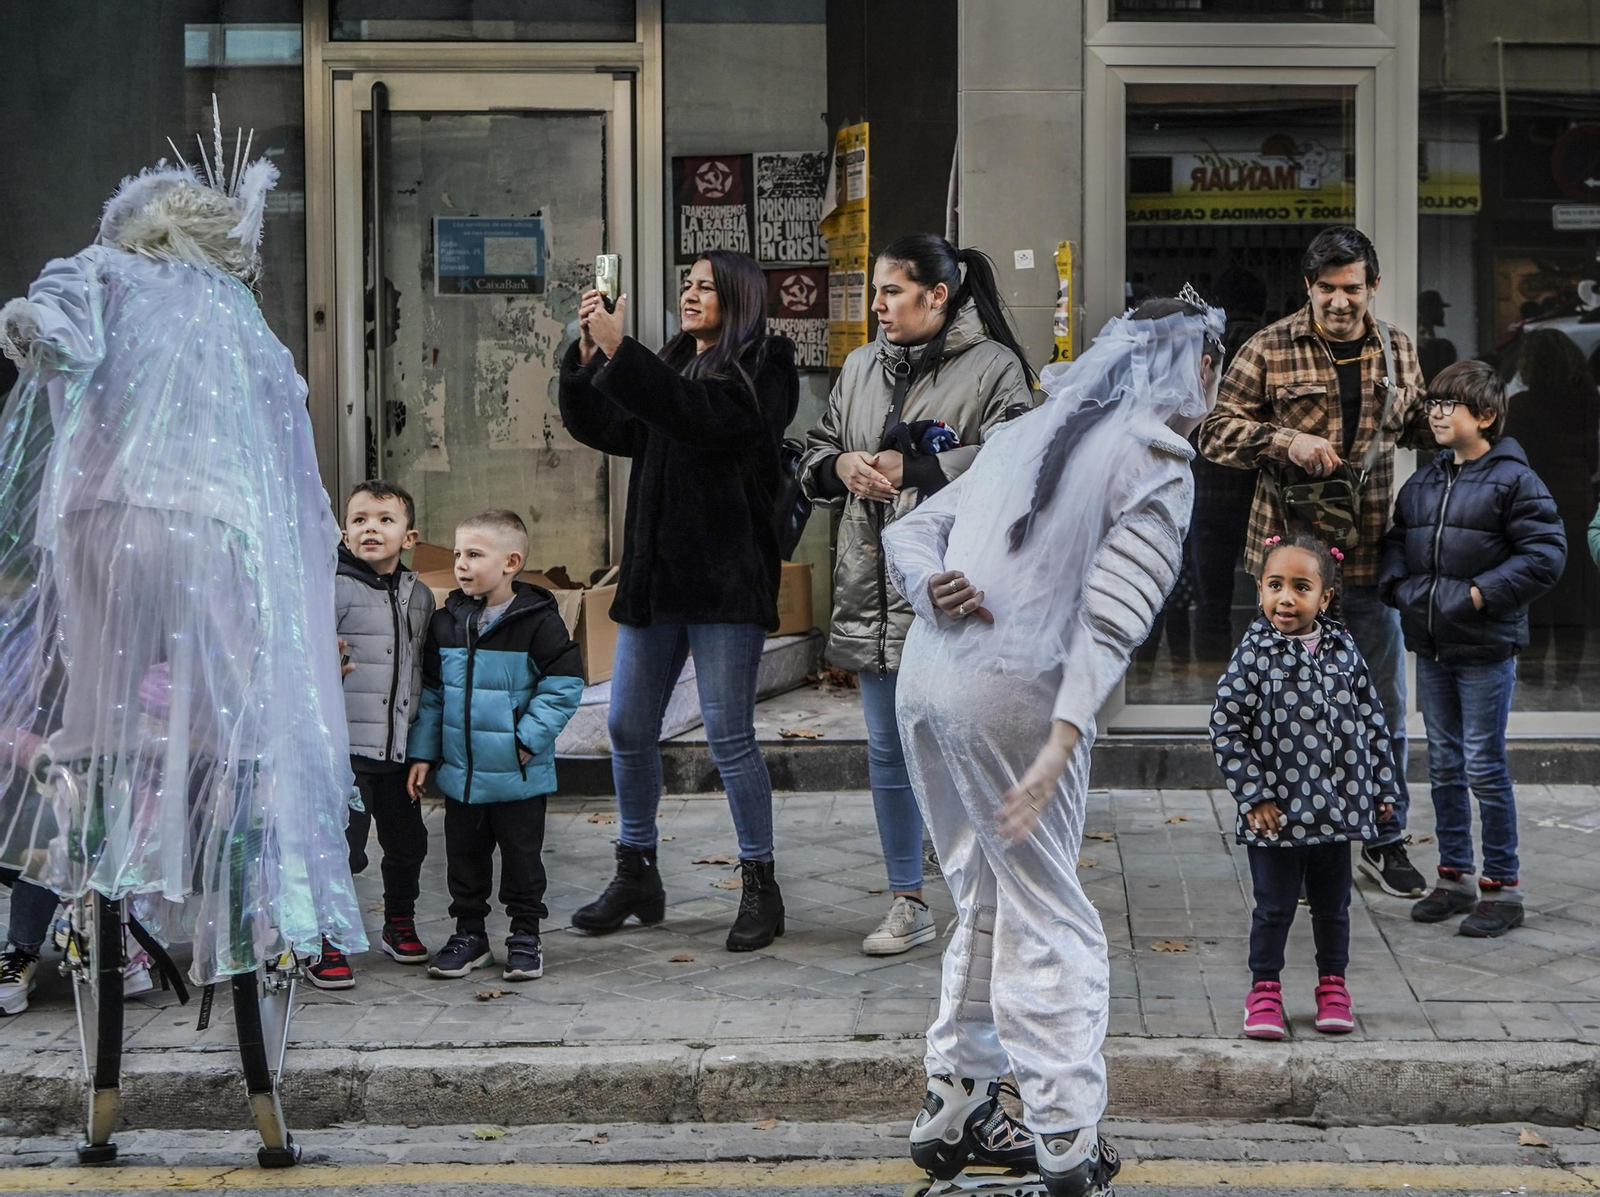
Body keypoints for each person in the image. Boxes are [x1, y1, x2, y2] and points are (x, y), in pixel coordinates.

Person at [883, 293, 1225, 1197]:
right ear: (1195, 369)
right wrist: (1059, 744)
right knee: (1047, 907)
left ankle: (955, 1095)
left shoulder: (1025, 434)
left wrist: (929, 589)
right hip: (1014, 695)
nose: (1213, 392)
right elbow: (1113, 619)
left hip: (928, 679)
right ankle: (1065, 1133)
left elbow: (909, 529)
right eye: (1211, 371)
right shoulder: (1155, 458)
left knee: (985, 890)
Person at [0, 145, 363, 984]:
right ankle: (251, 881)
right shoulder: (234, 309)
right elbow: (290, 406)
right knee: (242, 710)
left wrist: (30, 331)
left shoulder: (97, 269)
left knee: (100, 697)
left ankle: (98, 862)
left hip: (99, 525)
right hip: (210, 526)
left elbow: (52, 329)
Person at [799, 234, 1035, 956]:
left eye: (892, 291)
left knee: (967, 746)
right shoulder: (861, 365)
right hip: (869, 591)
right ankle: (908, 897)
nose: (877, 305)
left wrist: (922, 468)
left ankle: (992, 896)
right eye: (876, 290)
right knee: (885, 750)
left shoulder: (994, 366)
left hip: (954, 594)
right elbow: (812, 451)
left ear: (938, 296)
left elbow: (1024, 459)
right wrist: (842, 465)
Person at [557, 250, 799, 953]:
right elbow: (609, 426)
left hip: (723, 581)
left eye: (705, 287)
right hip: (655, 579)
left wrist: (622, 354)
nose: (690, 295)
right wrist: (586, 359)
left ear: (739, 297)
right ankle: (637, 873)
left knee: (729, 736)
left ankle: (760, 883)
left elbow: (702, 419)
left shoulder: (765, 365)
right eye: (685, 285)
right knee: (629, 725)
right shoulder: (668, 362)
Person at [1199, 225, 1432, 901]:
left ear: (1373, 287)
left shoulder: (1397, 348)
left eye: (1351, 288)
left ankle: (1385, 839)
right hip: (1291, 565)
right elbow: (1214, 431)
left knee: (1382, 707)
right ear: (1308, 287)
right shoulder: (1269, 346)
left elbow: (1415, 424)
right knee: (1282, 709)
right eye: (1326, 288)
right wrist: (1284, 439)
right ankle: (1294, 836)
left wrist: (1463, 419)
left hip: (1367, 555)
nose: (1339, 301)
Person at [1381, 361, 1565, 938]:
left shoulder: (1514, 480)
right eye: (1433, 403)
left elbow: (1545, 555)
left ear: (1484, 416)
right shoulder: (1426, 480)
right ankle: (1454, 877)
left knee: (1484, 766)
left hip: (1486, 649)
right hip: (1434, 646)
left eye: (1450, 404)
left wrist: (1481, 596)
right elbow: (1396, 543)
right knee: (1443, 764)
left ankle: (1502, 888)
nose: (1436, 412)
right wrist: (1400, 590)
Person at [1212, 534, 1399, 1041]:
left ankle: (1333, 987)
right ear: (1260, 591)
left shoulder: (1343, 650)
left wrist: (1383, 788)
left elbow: (1372, 721)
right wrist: (1254, 796)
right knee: (1273, 907)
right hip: (1274, 814)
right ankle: (1264, 991)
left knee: (1333, 907)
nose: (1286, 598)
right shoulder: (1254, 655)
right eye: (1275, 586)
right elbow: (1226, 728)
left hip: (1336, 815)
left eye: (1301, 587)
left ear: (1326, 597)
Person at [406, 510, 583, 982]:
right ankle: (470, 935)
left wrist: (527, 737)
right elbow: (434, 693)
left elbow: (563, 685)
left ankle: (526, 934)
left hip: (517, 772)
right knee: (464, 857)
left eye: (474, 555)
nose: (461, 564)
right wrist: (424, 753)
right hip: (462, 775)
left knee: (522, 858)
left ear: (511, 562)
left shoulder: (537, 622)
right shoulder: (447, 622)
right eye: (458, 554)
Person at [308, 480, 437, 991]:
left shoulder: (421, 597)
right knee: (344, 849)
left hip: (399, 752)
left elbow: (424, 677)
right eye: (359, 519)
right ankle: (325, 940)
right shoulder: (329, 587)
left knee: (409, 844)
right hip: (346, 751)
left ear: (409, 536)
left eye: (385, 520)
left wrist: (422, 748)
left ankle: (398, 922)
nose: (371, 529)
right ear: (344, 531)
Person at [1502, 330, 1599, 689]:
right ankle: (1569, 674)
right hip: (1577, 502)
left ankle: (1531, 672)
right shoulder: (1587, 402)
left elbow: (1513, 461)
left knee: (1537, 592)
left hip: (1535, 504)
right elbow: (1592, 461)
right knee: (1574, 591)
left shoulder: (1523, 407)